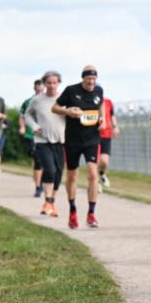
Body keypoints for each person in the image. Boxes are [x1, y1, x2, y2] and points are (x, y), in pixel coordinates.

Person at [53, 65, 106, 229]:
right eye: (88, 79)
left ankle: (91, 213)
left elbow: (101, 104)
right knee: (72, 176)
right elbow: (54, 107)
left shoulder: (98, 91)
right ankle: (73, 210)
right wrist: (68, 112)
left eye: (93, 79)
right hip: (73, 140)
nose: (91, 82)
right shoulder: (71, 90)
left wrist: (103, 117)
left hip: (92, 139)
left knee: (92, 173)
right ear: (83, 78)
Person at [26, 71, 67, 217]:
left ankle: (51, 202)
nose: (51, 86)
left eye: (54, 82)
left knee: (58, 172)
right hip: (42, 140)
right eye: (49, 83)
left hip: (61, 141)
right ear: (44, 84)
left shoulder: (64, 98)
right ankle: (48, 201)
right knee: (49, 169)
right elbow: (27, 114)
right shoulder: (37, 100)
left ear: (58, 83)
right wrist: (34, 127)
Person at [19, 79, 45, 197]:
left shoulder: (49, 101)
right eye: (37, 89)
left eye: (41, 89)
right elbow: (22, 116)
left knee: (42, 161)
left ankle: (41, 180)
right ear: (34, 89)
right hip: (31, 134)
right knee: (38, 159)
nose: (39, 91)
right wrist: (22, 127)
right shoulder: (28, 102)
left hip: (45, 135)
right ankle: (38, 187)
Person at [97, 96, 119, 190]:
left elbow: (112, 115)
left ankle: (102, 174)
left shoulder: (108, 101)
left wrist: (115, 127)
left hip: (106, 135)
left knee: (104, 161)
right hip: (93, 135)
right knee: (95, 161)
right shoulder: (88, 100)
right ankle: (96, 183)